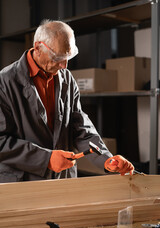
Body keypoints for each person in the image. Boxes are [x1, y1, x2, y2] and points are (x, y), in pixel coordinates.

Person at [0, 20, 134, 182]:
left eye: (68, 56)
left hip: (62, 178)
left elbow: (80, 127)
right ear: (38, 48)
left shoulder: (66, 78)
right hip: (23, 181)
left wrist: (105, 159)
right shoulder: (5, 82)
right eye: (58, 57)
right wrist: (46, 158)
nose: (64, 66)